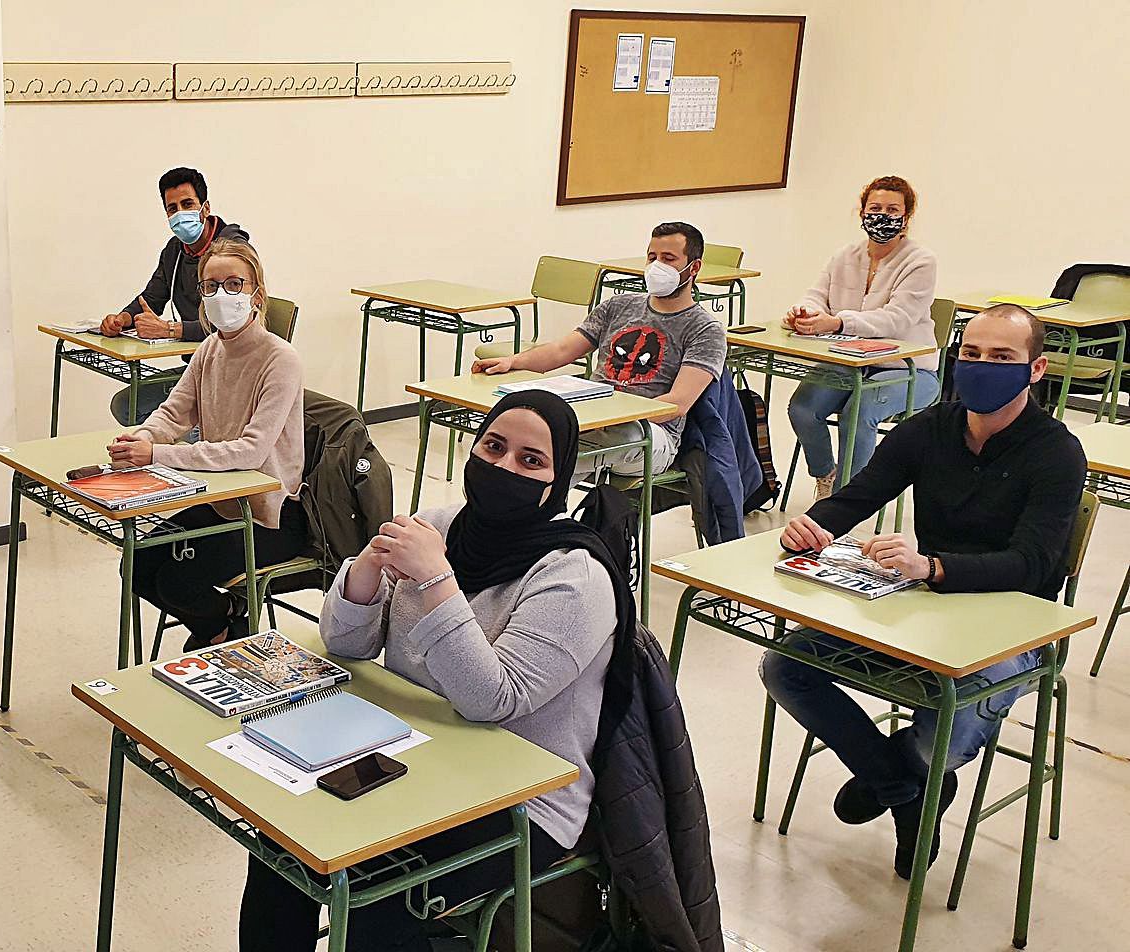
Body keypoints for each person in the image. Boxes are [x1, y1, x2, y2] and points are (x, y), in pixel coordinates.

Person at [238, 390, 630, 951]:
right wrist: (365, 571)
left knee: (375, 894)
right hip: (414, 756)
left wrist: (434, 581)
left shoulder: (576, 578)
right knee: (279, 851)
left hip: (521, 800)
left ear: (557, 480)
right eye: (493, 447)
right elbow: (346, 644)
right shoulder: (441, 525)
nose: (503, 468)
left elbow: (493, 698)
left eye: (531, 461)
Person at [761, 304, 1085, 880]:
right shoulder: (929, 429)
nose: (982, 367)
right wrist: (815, 524)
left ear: (1035, 370)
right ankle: (903, 788)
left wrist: (933, 567)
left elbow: (1032, 565)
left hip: (1011, 627)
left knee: (949, 739)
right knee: (786, 666)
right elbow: (861, 494)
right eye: (972, 354)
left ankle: (906, 776)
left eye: (1003, 358)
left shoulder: (1055, 451)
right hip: (921, 604)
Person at [113, 238, 302, 652]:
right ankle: (222, 626)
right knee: (139, 565)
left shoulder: (279, 359)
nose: (222, 295)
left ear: (257, 293)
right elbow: (175, 413)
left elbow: (249, 452)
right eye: (210, 286)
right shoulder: (210, 349)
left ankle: (222, 629)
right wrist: (141, 437)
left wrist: (158, 454)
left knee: (177, 580)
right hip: (222, 501)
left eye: (234, 284)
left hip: (270, 514)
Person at [471, 222, 727, 476]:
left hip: (651, 435)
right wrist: (513, 362)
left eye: (668, 259)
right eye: (652, 257)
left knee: (589, 442)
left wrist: (612, 416)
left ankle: (525, 490)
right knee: (526, 425)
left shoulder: (705, 329)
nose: (657, 266)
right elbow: (562, 350)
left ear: (694, 267)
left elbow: (677, 404)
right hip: (595, 418)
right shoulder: (619, 306)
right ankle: (518, 496)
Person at [784, 175, 940, 500]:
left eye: (892, 209)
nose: (882, 215)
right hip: (851, 361)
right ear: (863, 212)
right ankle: (827, 474)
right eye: (875, 207)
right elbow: (817, 295)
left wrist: (838, 323)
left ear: (906, 217)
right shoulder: (845, 255)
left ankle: (846, 500)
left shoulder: (921, 261)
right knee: (802, 407)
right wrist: (804, 313)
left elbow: (896, 319)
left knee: (859, 411)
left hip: (910, 369)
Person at [97, 167, 252, 426]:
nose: (180, 213)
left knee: (185, 432)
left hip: (235, 370)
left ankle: (194, 447)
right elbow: (152, 297)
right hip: (198, 368)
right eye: (172, 208)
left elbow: (230, 323)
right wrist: (122, 319)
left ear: (205, 207)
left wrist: (170, 330)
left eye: (187, 204)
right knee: (126, 406)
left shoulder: (231, 252)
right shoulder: (176, 251)